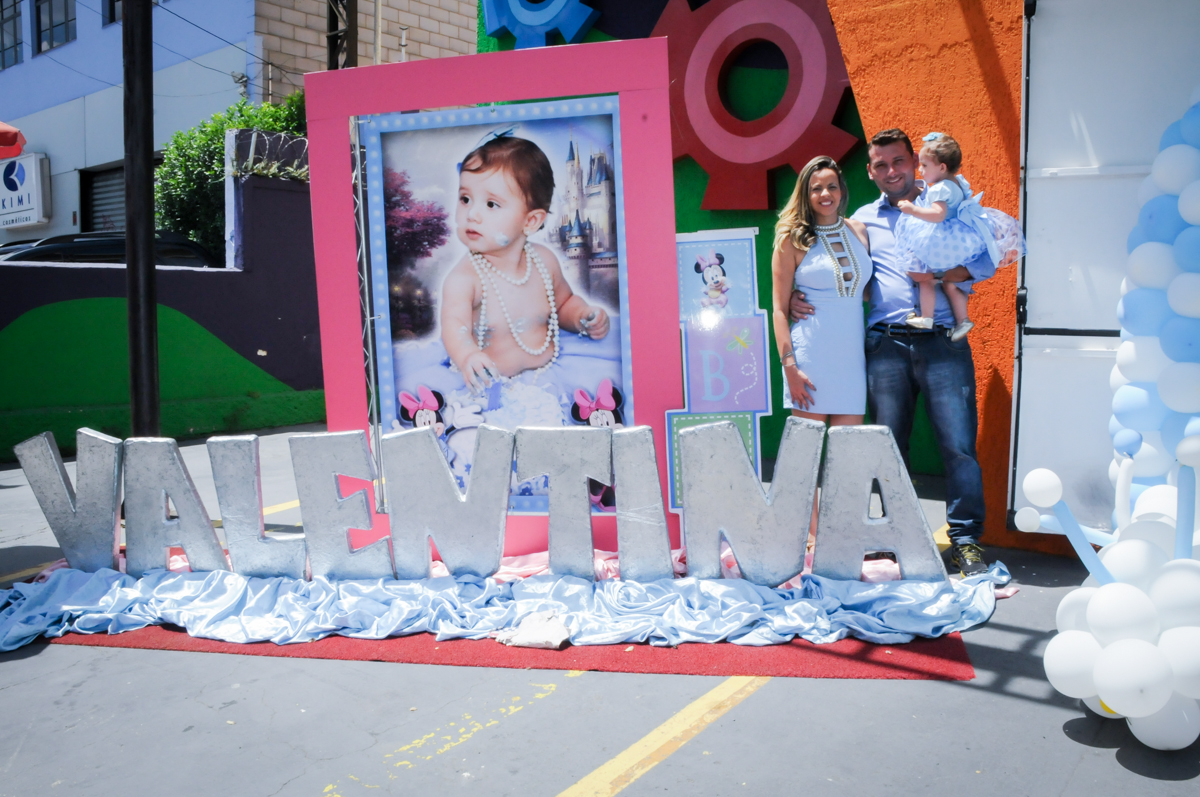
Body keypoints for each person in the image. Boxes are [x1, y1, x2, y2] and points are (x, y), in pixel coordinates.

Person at [790, 129, 992, 577]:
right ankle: (888, 538)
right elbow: (821, 271)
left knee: (958, 448)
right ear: (869, 172)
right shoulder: (860, 221)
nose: (891, 171)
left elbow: (986, 258)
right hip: (884, 346)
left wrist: (951, 270)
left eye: (899, 161)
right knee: (885, 449)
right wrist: (790, 299)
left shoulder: (950, 207)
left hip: (943, 340)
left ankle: (965, 542)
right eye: (880, 165)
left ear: (915, 164)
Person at [440, 134, 609, 392]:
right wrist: (467, 356)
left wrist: (581, 316)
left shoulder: (544, 262)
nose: (471, 214)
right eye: (465, 199)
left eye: (491, 204)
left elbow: (562, 303)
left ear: (530, 221)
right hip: (488, 385)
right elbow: (454, 327)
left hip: (549, 375)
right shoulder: (464, 278)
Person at [772, 155, 872, 424]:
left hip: (852, 360)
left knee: (847, 452)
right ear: (806, 194)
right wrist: (790, 368)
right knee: (806, 454)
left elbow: (865, 291)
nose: (825, 194)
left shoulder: (859, 230)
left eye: (832, 186)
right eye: (816, 188)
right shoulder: (790, 240)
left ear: (842, 190)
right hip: (810, 360)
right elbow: (779, 311)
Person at [896, 132, 1024, 340]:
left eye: (925, 165)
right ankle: (963, 321)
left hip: (944, 239)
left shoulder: (939, 188)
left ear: (942, 167)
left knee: (923, 275)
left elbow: (938, 215)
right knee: (950, 283)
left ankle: (926, 317)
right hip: (963, 237)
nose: (920, 170)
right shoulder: (956, 183)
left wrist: (912, 210)